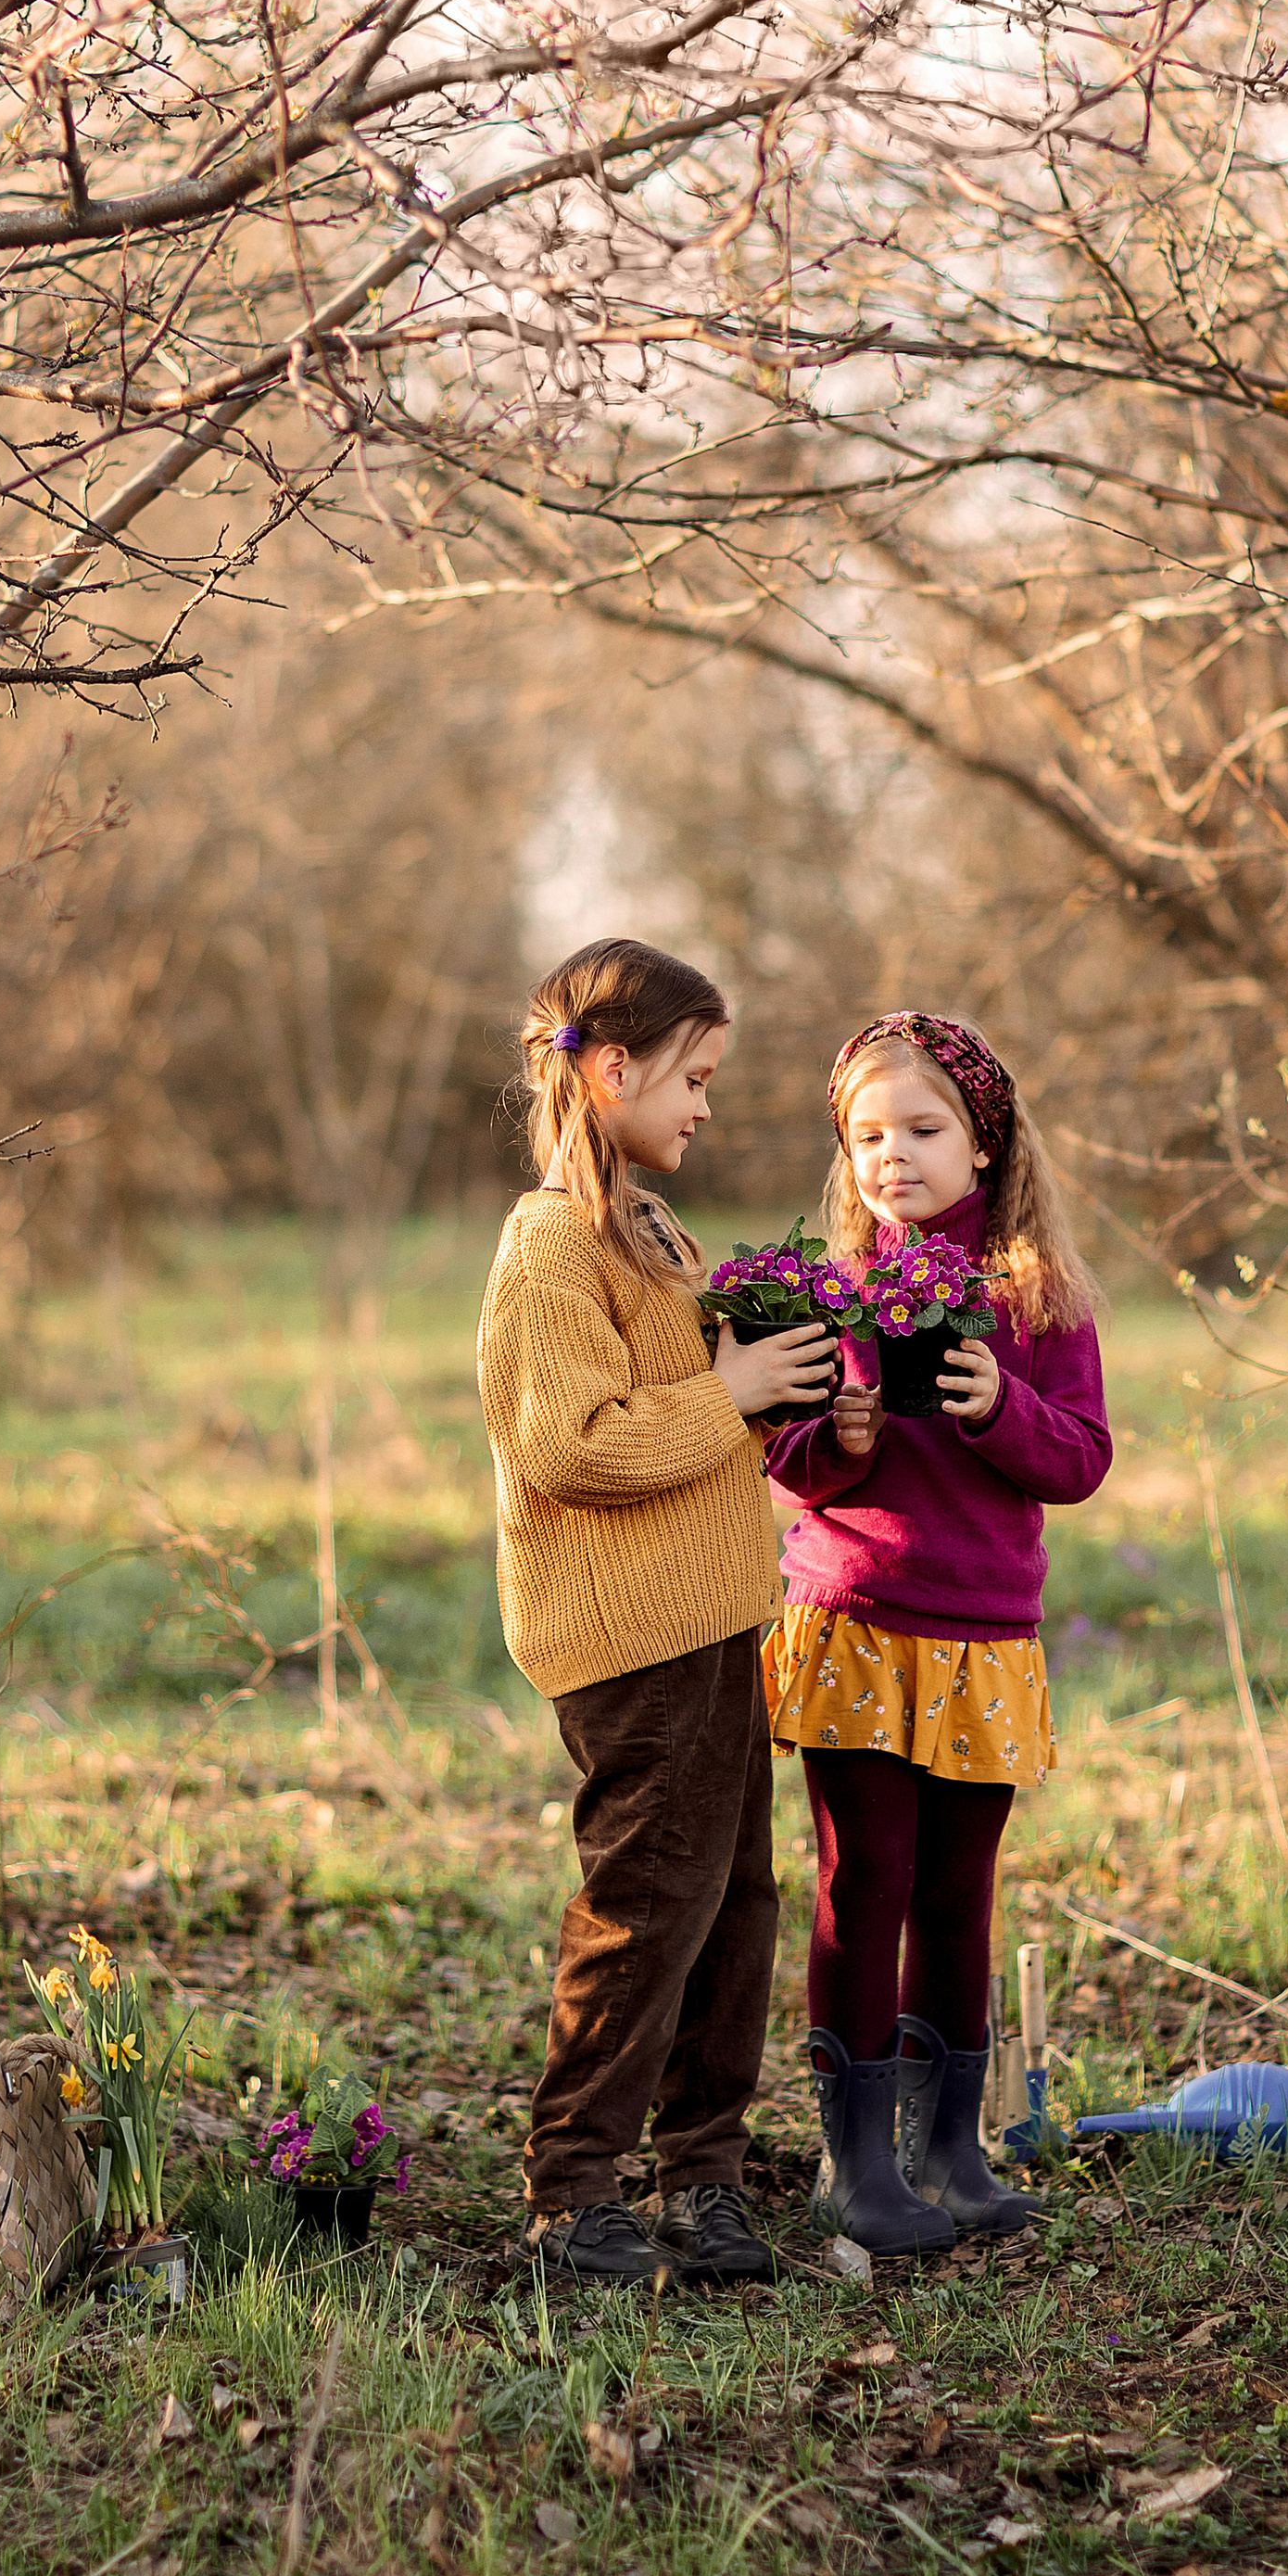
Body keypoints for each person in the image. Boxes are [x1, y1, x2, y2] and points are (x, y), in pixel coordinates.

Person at [478, 934, 839, 2285]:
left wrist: (780, 1396)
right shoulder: (550, 1246)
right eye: (694, 1078)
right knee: (646, 1906)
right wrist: (729, 1392)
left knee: (732, 1903)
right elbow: (572, 1444)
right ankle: (573, 2192)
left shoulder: (648, 1231)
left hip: (715, 1620)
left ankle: (702, 2176)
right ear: (613, 1070)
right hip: (630, 1639)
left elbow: (690, 1418)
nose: (706, 1107)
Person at [765, 1010, 1110, 2255]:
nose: (891, 1156)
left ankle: (947, 2150)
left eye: (921, 1129)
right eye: (866, 1136)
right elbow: (784, 1456)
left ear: (984, 1143)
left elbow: (1081, 1459)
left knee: (959, 1892)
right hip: (856, 1622)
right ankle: (856, 2164)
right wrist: (840, 1443)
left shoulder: (1037, 1299)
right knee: (867, 1882)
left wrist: (997, 1406)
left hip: (983, 1638)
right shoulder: (829, 1295)